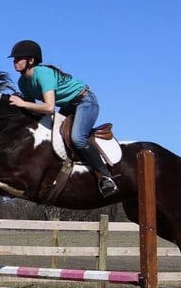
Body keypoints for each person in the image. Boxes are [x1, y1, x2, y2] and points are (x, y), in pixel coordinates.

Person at [7, 39, 118, 197]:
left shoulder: (42, 73)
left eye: (18, 59)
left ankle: (106, 176)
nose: (15, 62)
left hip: (85, 101)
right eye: (14, 59)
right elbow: (32, 109)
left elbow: (49, 108)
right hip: (68, 105)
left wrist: (22, 103)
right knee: (51, 136)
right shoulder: (22, 82)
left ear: (31, 60)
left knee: (77, 138)